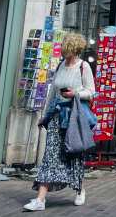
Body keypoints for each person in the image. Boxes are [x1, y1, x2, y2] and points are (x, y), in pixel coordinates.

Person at [24, 32, 95, 211]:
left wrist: (75, 93)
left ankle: (79, 189)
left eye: (68, 50)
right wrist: (45, 116)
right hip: (57, 116)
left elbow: (91, 92)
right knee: (50, 155)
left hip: (74, 117)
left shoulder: (83, 67)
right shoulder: (60, 66)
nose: (65, 53)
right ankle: (40, 199)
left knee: (74, 153)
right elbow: (52, 93)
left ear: (75, 50)